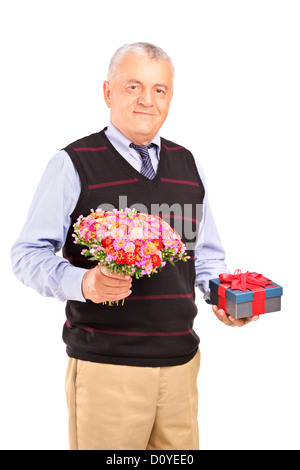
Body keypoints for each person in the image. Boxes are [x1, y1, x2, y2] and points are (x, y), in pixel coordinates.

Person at [11, 42, 258, 451]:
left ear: (170, 97)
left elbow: (207, 257)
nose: (147, 99)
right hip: (108, 368)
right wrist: (84, 282)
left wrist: (224, 297)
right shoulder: (73, 163)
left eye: (159, 89)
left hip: (181, 365)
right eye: (133, 86)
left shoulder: (187, 164)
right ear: (108, 92)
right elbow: (27, 254)